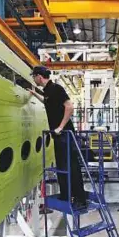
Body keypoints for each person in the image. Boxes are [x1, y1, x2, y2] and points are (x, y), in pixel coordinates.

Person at [28, 66, 88, 209]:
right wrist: (34, 94)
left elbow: (69, 107)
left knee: (72, 167)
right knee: (62, 165)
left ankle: (80, 199)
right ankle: (66, 194)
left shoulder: (56, 88)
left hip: (65, 134)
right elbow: (48, 103)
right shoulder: (47, 91)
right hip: (57, 135)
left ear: (39, 77)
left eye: (33, 77)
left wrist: (60, 127)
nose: (33, 79)